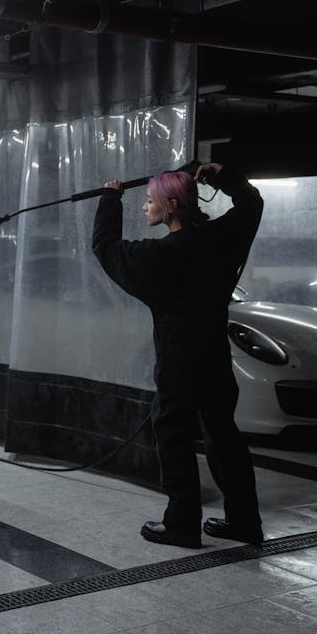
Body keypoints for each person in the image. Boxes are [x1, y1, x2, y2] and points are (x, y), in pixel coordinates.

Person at [92, 162, 263, 548]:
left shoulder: (158, 256)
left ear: (171, 204)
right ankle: (244, 522)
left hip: (178, 359)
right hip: (215, 356)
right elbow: (251, 203)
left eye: (149, 200)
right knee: (222, 434)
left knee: (174, 435)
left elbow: (105, 247)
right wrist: (223, 174)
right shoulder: (222, 239)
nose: (144, 207)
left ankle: (182, 523)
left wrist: (110, 197)